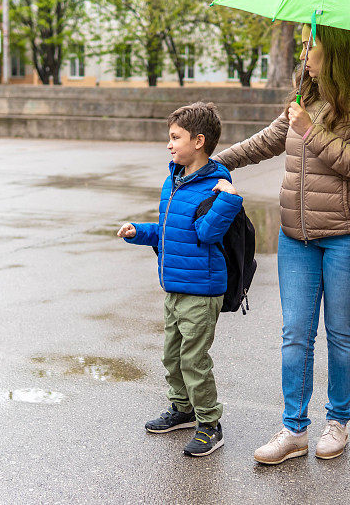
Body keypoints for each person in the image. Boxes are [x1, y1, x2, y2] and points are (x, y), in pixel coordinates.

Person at [212, 24, 350, 464]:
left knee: (341, 332)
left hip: (348, 236)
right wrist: (213, 162)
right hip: (297, 234)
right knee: (296, 333)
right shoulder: (306, 91)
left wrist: (312, 130)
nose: (303, 50)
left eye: (308, 42)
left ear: (332, 46)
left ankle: (338, 422)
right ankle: (294, 429)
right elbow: (269, 140)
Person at [117, 102, 243, 457]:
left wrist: (227, 202)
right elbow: (169, 232)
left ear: (199, 141)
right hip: (174, 286)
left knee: (193, 360)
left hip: (201, 291)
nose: (169, 144)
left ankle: (210, 424)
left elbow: (206, 234)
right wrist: (138, 232)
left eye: (175, 137)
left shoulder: (216, 187)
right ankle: (183, 409)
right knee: (172, 357)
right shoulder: (173, 180)